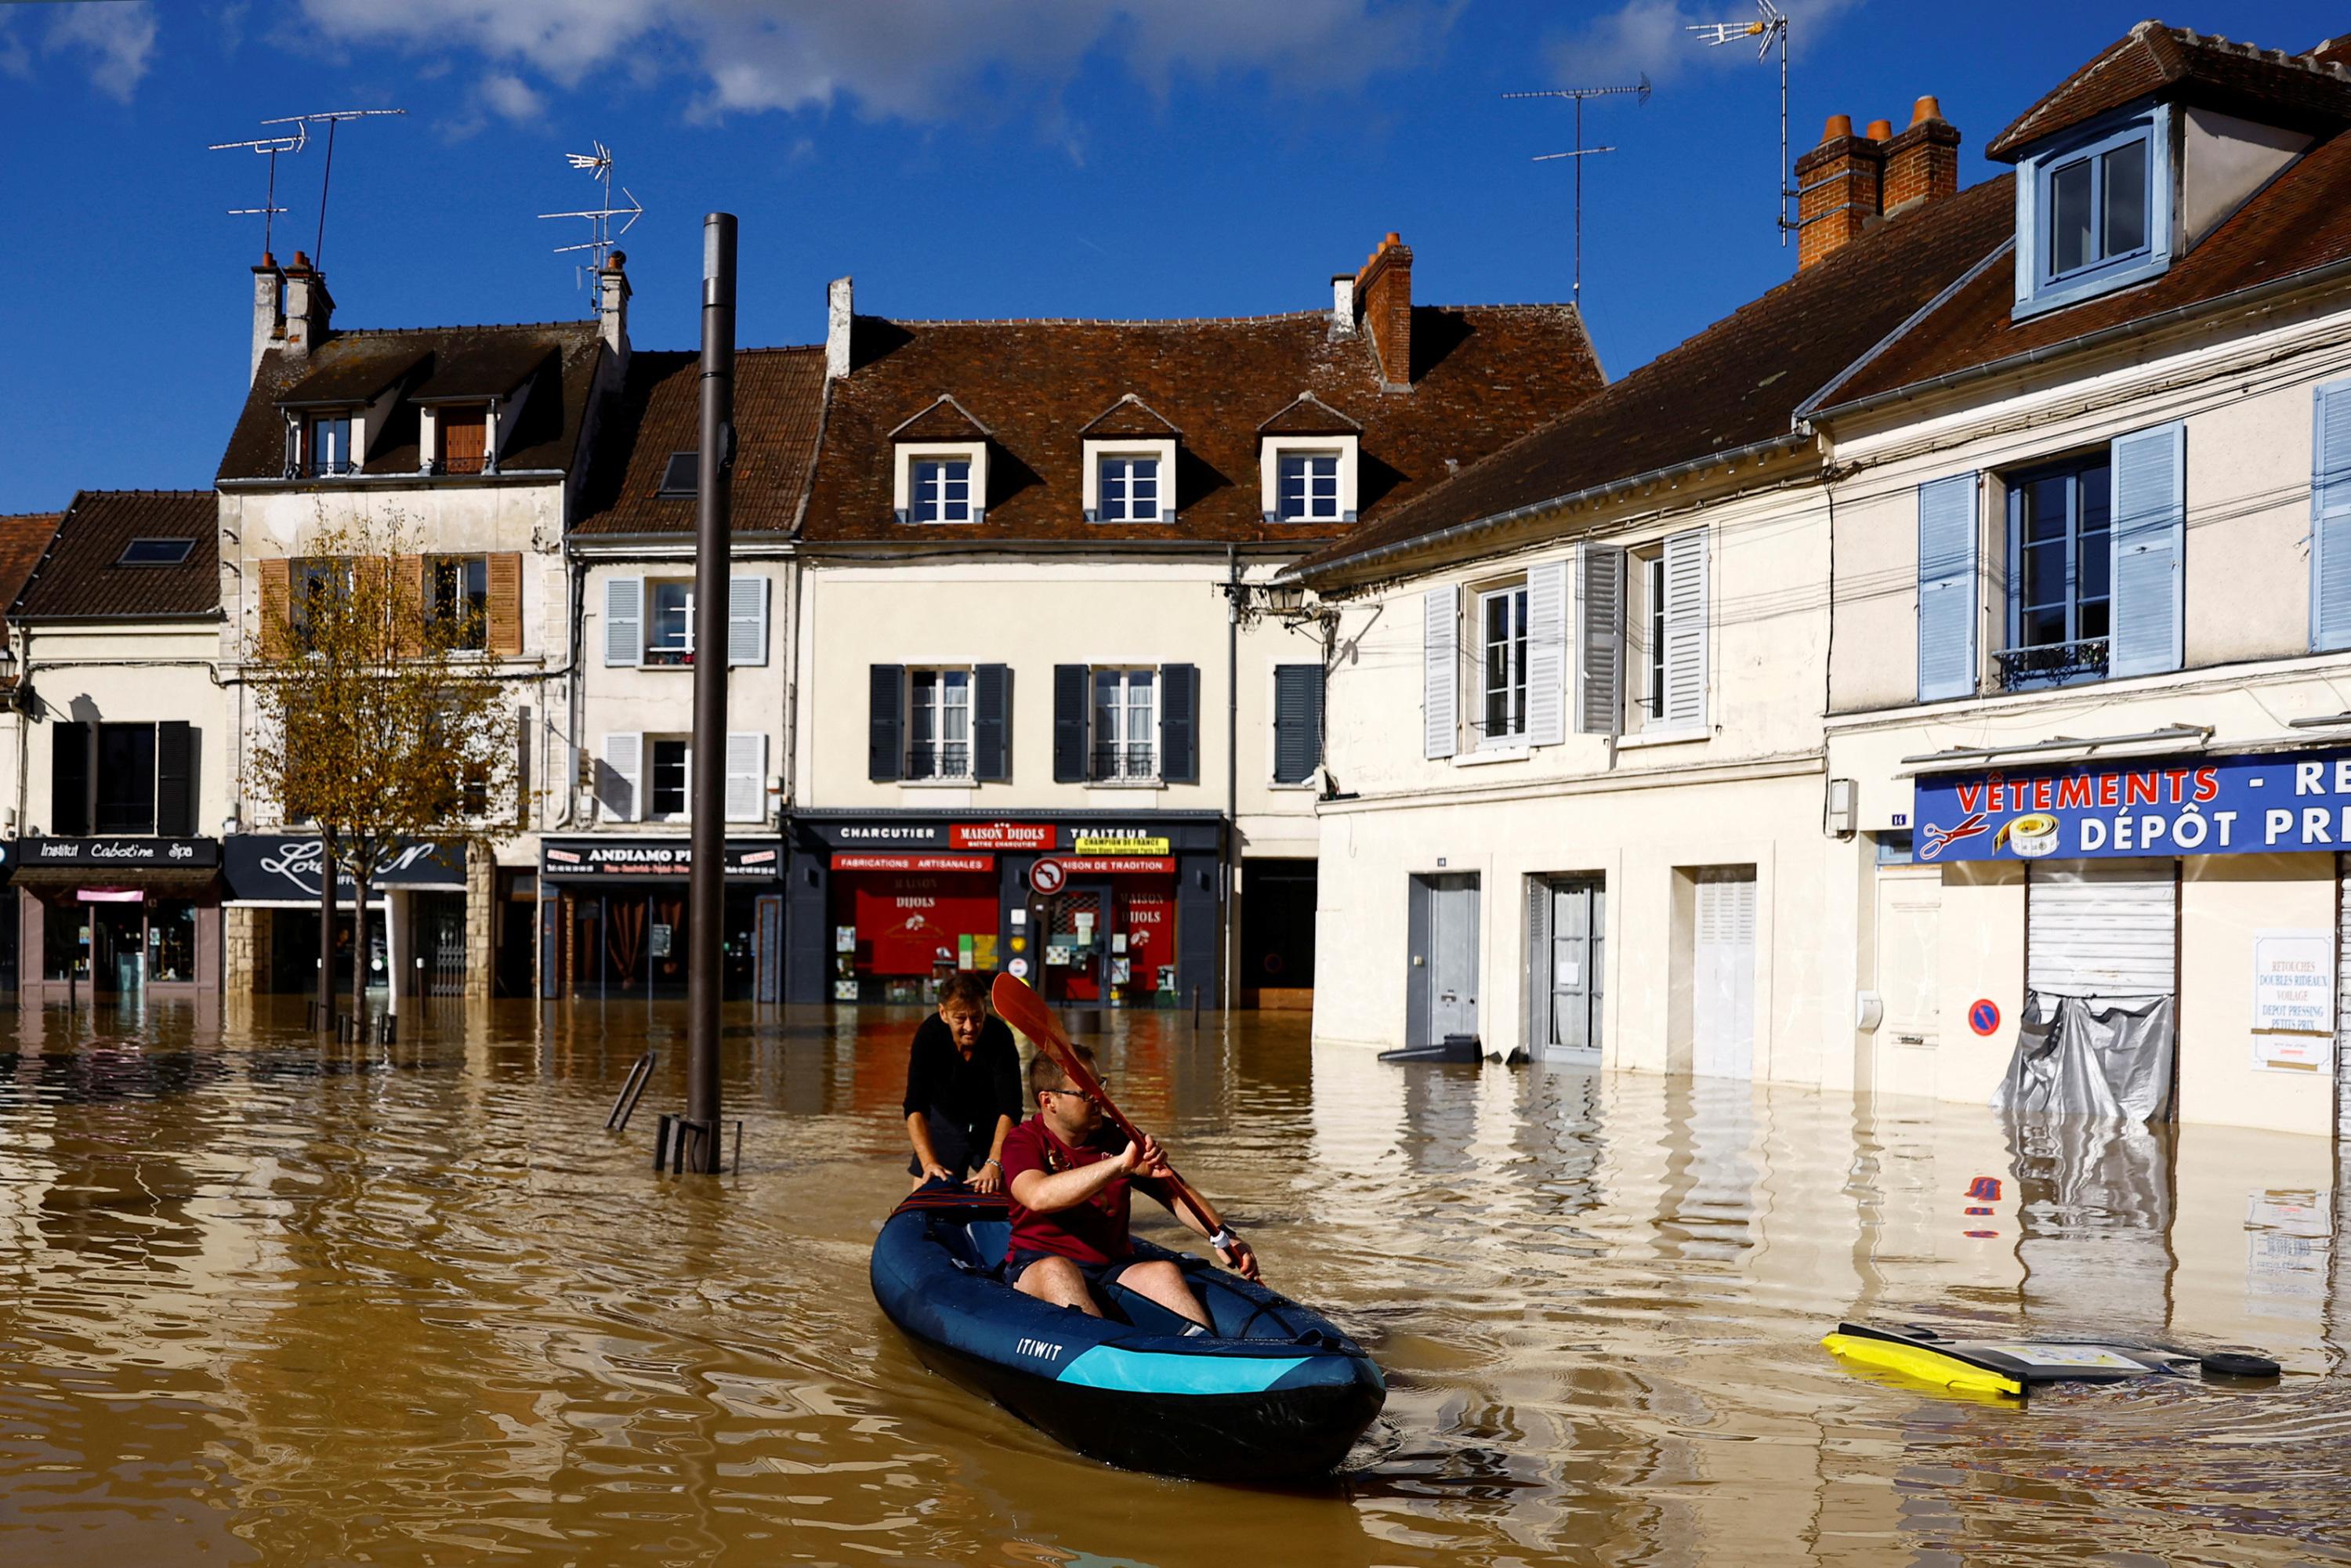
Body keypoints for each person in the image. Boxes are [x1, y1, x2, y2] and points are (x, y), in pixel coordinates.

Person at [1001, 1042, 1259, 1330]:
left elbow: (1174, 1194)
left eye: (1101, 1086)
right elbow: (1038, 1196)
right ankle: (1101, 1357)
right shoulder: (1022, 1141)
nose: (1099, 1098)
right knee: (1057, 1271)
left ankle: (1207, 1356)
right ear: (1049, 1101)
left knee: (1164, 1273)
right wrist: (1120, 1165)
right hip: (1040, 1262)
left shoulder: (1118, 1137)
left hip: (1112, 1266)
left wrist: (1223, 1237)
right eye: (1086, 1092)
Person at [904, 971, 1024, 1193]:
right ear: (944, 1013)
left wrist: (994, 1163)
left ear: (985, 1011)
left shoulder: (1000, 1036)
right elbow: (914, 1106)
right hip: (944, 1119)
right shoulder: (929, 1035)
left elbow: (1011, 1107)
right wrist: (928, 1163)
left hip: (991, 1122)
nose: (970, 1027)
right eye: (960, 1019)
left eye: (977, 1017)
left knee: (1005, 1189)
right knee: (927, 1188)